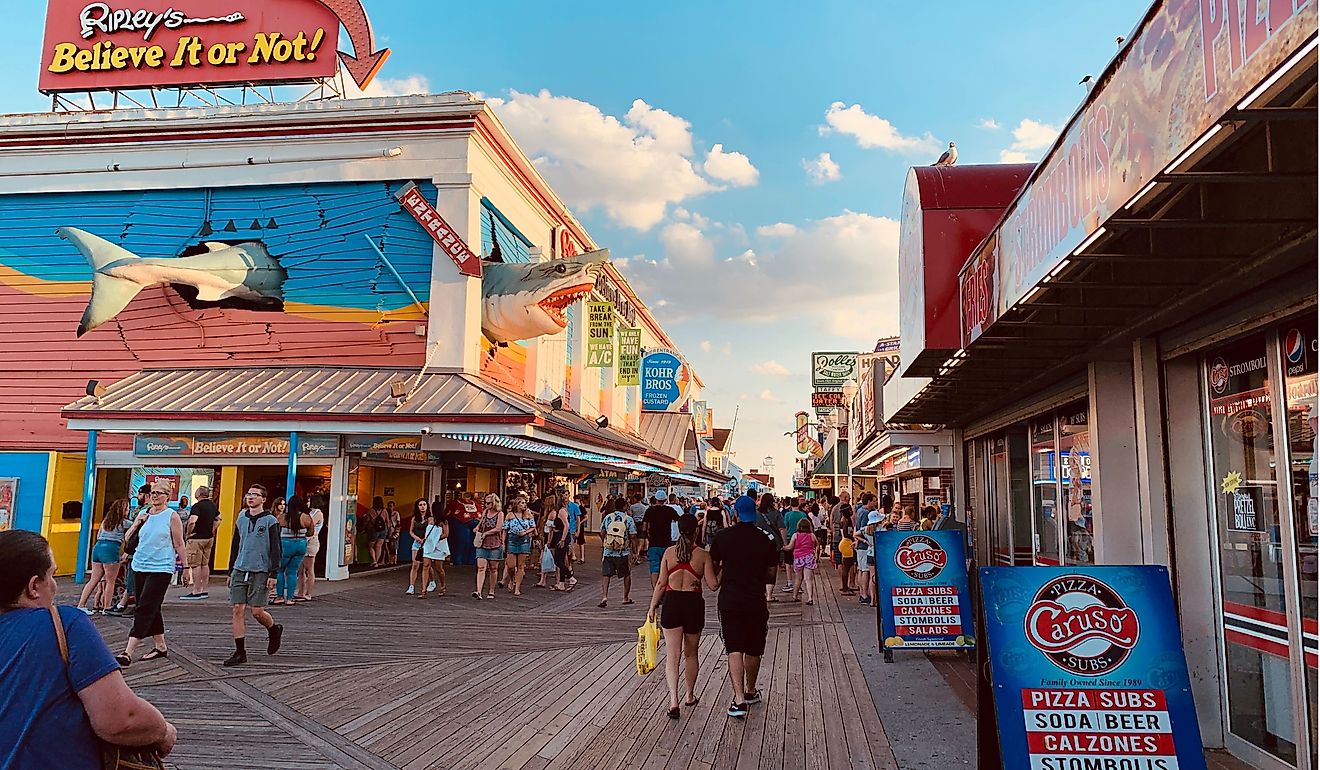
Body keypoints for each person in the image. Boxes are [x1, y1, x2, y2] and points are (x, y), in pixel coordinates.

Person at [0, 530, 177, 766]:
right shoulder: (64, 624)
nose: (54, 586)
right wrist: (163, 732)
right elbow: (120, 719)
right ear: (34, 586)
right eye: (51, 575)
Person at [710, 495, 778, 719]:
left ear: (735, 513)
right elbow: (771, 575)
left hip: (730, 599)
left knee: (734, 647)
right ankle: (750, 691)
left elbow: (715, 566)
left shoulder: (723, 537)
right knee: (754, 647)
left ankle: (739, 699)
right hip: (755, 599)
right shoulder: (766, 539)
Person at [648, 514, 717, 719]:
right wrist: (722, 571)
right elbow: (713, 585)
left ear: (678, 530)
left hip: (672, 603)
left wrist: (652, 607)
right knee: (691, 654)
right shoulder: (703, 555)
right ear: (696, 530)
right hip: (693, 604)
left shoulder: (669, 553)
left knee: (673, 655)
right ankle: (690, 695)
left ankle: (673, 701)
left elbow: (661, 584)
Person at [114, 482, 186, 667]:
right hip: (140, 565)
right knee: (150, 605)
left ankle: (128, 651)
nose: (155, 496)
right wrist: (138, 522)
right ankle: (160, 646)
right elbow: (128, 538)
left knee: (145, 607)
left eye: (159, 493)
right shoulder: (143, 514)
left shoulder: (172, 516)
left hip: (161, 567)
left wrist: (185, 567)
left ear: (167, 496)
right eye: (153, 493)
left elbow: (179, 543)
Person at [224, 484, 284, 667]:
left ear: (263, 499)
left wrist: (273, 573)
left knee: (257, 611)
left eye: (255, 495)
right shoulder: (241, 517)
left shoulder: (270, 521)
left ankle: (273, 629)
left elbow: (276, 548)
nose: (251, 497)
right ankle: (240, 651)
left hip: (260, 569)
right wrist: (230, 570)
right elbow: (236, 544)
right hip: (240, 568)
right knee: (237, 609)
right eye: (249, 494)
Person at [76, 498, 131, 615]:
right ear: (122, 510)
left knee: (93, 580)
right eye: (127, 509)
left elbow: (98, 535)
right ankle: (107, 607)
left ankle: (81, 605)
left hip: (98, 547)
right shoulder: (125, 523)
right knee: (110, 581)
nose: (128, 511)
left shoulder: (105, 521)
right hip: (111, 549)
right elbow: (132, 532)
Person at [179, 485, 220, 600]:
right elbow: (219, 518)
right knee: (204, 564)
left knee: (195, 564)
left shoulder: (197, 506)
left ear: (199, 494)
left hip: (196, 538)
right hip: (208, 538)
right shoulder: (212, 505)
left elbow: (192, 521)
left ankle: (196, 591)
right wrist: (212, 529)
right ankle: (204, 589)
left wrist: (188, 533)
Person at [273, 497, 312, 606]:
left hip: (285, 544)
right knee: (292, 572)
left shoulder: (282, 517)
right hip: (301, 544)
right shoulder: (306, 518)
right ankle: (290, 598)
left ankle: (280, 596)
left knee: (280, 570)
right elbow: (310, 533)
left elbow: (275, 531)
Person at [598, 497, 636, 608]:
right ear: (625, 507)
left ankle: (604, 596)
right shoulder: (628, 519)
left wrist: (606, 541)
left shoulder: (608, 517)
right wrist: (634, 551)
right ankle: (625, 597)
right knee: (626, 575)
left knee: (606, 574)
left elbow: (602, 532)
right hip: (622, 552)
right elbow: (633, 536)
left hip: (608, 551)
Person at [643, 493, 680, 588]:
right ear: (665, 500)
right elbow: (679, 520)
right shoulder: (669, 510)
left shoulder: (649, 511)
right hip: (666, 543)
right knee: (667, 568)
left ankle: (656, 589)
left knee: (654, 568)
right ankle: (665, 589)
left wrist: (648, 536)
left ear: (655, 499)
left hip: (653, 544)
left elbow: (644, 527)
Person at [754, 493, 786, 601]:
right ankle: (769, 595)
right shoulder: (776, 513)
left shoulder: (756, 513)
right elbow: (782, 528)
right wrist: (785, 543)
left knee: (759, 567)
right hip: (774, 544)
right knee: (772, 568)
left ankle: (759, 591)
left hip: (758, 543)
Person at [473, 493, 506, 600]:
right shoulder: (485, 512)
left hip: (495, 542)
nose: (487, 505)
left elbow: (498, 528)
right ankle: (478, 591)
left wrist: (486, 533)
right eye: (485, 503)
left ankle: (491, 590)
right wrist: (477, 528)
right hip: (482, 542)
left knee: (493, 568)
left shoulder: (500, 514)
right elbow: (480, 524)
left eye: (489, 503)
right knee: (481, 567)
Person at [295, 493, 325, 602]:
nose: (307, 503)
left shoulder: (318, 513)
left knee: (309, 568)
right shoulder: (310, 513)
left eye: (308, 501)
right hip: (304, 541)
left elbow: (310, 527)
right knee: (301, 569)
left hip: (311, 541)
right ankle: (300, 591)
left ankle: (308, 593)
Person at [502, 495, 534, 596]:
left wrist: (525, 532)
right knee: (511, 566)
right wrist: (503, 542)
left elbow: (533, 527)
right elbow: (505, 530)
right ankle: (512, 580)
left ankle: (517, 587)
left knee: (521, 565)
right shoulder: (510, 515)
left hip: (524, 540)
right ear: (517, 504)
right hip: (512, 539)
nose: (524, 505)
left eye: (525, 503)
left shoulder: (528, 515)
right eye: (522, 503)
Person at [416, 507, 449, 599]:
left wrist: (436, 538)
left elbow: (446, 534)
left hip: (439, 546)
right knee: (426, 566)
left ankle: (442, 585)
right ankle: (423, 590)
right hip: (428, 545)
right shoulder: (429, 519)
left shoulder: (443, 521)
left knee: (439, 568)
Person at [786, 518, 818, 605]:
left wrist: (783, 547)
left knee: (798, 578)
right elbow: (816, 544)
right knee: (809, 579)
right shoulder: (812, 535)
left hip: (798, 558)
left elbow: (790, 547)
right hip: (809, 557)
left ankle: (795, 596)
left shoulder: (795, 535)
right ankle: (810, 598)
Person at [780, 499, 808, 594]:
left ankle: (790, 583)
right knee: (799, 563)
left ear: (790, 504)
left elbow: (785, 527)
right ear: (799, 504)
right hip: (801, 540)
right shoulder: (803, 515)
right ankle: (799, 584)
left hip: (789, 539)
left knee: (788, 562)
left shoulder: (787, 515)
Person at [854, 511, 881, 606]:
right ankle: (877, 598)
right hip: (878, 553)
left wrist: (864, 540)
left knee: (872, 577)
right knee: (878, 577)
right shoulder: (881, 529)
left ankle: (872, 599)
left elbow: (855, 534)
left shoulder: (865, 529)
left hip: (869, 552)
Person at [407, 498, 433, 596]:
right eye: (420, 505)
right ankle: (411, 586)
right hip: (417, 542)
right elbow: (411, 531)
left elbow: (431, 530)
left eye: (424, 504)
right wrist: (416, 538)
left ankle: (432, 581)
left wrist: (425, 539)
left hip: (427, 543)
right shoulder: (414, 519)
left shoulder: (430, 518)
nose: (422, 506)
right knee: (415, 564)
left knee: (427, 565)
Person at [366, 497, 387, 567]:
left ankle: (374, 561)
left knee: (370, 546)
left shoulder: (371, 511)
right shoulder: (384, 511)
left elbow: (367, 520)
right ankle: (376, 562)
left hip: (374, 530)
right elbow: (388, 521)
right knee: (379, 546)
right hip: (383, 530)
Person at [628, 494, 648, 565]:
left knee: (634, 540)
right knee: (640, 541)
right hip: (641, 524)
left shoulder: (632, 507)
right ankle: (637, 554)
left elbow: (630, 515)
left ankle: (635, 554)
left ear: (635, 499)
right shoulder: (644, 507)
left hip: (634, 524)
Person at [572, 494, 589, 564]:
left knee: (581, 542)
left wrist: (580, 522)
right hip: (573, 526)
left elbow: (586, 517)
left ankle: (582, 558)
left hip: (580, 527)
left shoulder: (581, 508)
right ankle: (573, 556)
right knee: (572, 541)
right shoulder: (573, 507)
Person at [385, 500, 401, 566]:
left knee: (394, 547)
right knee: (387, 546)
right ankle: (388, 560)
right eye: (389, 506)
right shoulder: (386, 513)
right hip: (387, 531)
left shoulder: (396, 513)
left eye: (391, 506)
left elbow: (398, 523)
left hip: (394, 532)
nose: (389, 508)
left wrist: (396, 531)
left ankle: (394, 561)